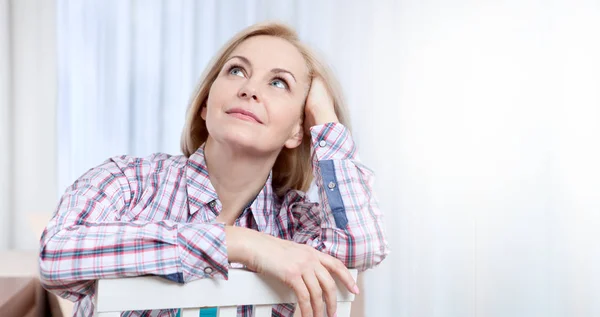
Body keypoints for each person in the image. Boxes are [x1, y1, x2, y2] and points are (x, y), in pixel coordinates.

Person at [39, 21, 389, 317]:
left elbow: (362, 246)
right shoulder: (130, 181)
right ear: (206, 103)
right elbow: (55, 255)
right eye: (237, 70)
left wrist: (325, 120)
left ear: (298, 130)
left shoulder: (296, 225)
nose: (249, 89)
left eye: (278, 82)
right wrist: (236, 242)